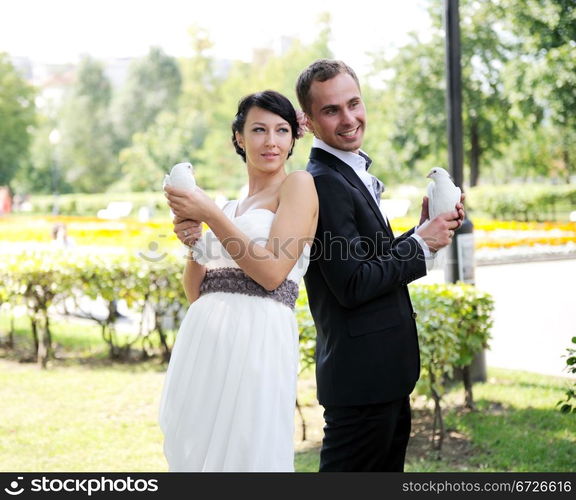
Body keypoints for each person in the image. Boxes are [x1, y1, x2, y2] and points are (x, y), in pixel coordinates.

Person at [295, 59, 465, 471]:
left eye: (354, 103)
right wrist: (422, 246)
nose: (349, 118)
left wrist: (421, 232)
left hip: (379, 376)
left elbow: (368, 261)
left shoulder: (346, 174)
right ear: (309, 122)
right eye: (331, 110)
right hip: (361, 381)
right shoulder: (323, 181)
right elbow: (352, 282)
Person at [159, 90, 318, 472]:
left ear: (293, 139)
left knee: (248, 448)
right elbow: (196, 291)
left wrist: (211, 215)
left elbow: (272, 272)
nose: (271, 141)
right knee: (197, 449)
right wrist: (194, 239)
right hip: (206, 339)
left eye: (282, 131)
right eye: (259, 129)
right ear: (239, 138)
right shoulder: (232, 205)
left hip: (258, 335)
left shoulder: (297, 185)